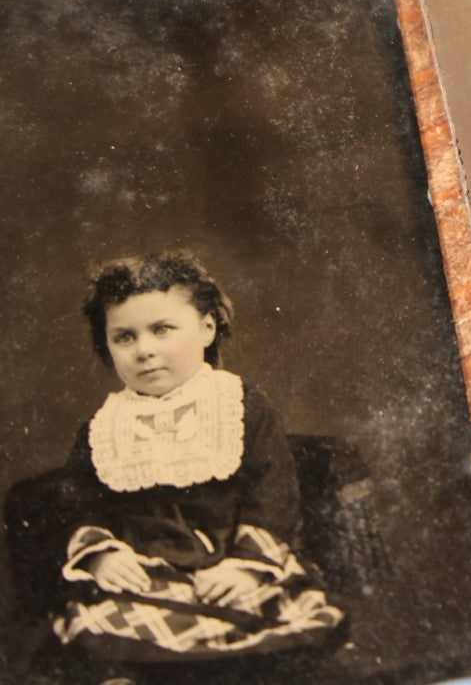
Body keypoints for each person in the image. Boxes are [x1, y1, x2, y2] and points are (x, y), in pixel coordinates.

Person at [38, 251, 343, 683]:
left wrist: (243, 565)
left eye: (161, 329)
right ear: (106, 346)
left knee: (278, 621)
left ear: (206, 327)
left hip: (228, 568)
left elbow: (272, 495)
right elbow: (77, 504)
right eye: (124, 337)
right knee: (96, 627)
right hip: (147, 581)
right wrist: (103, 555)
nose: (144, 350)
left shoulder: (239, 406)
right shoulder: (103, 427)